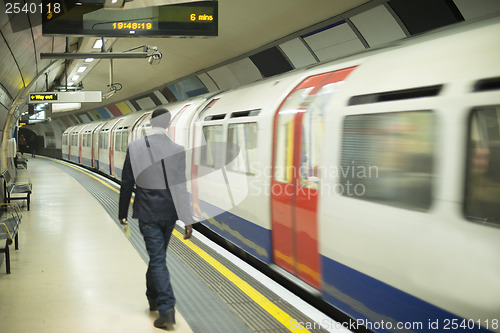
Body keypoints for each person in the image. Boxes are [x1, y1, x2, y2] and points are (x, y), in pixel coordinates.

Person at [118, 108, 196, 329]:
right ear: (168, 125)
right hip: (169, 213)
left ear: (150, 123)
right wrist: (187, 219)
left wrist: (122, 213)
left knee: (157, 258)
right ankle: (152, 297)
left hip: (147, 212)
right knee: (158, 256)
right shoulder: (177, 149)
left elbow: (126, 183)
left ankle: (166, 310)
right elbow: (180, 187)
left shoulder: (135, 147)